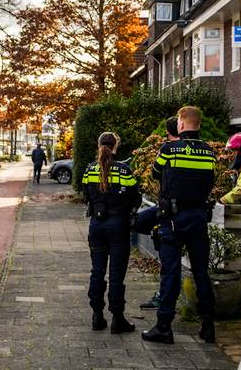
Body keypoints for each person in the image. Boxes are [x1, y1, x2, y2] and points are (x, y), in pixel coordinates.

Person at [142, 105, 217, 346]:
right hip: (198, 218)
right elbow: (210, 179)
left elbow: (155, 174)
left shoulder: (169, 150)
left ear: (181, 125)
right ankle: (208, 327)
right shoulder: (209, 153)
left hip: (173, 219)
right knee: (201, 273)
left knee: (171, 272)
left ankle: (164, 326)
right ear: (199, 124)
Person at [82, 132, 141, 334]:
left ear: (99, 145)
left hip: (96, 226)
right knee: (116, 274)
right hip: (118, 226)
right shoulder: (124, 170)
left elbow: (86, 195)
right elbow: (136, 197)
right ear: (115, 146)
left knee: (97, 270)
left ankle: (97, 316)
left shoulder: (90, 169)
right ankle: (118, 319)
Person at [133, 116, 182, 310]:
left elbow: (155, 173)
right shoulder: (203, 151)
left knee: (170, 265)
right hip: (190, 214)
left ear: (170, 134)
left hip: (170, 213)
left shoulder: (168, 150)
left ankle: (164, 306)